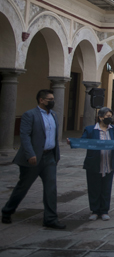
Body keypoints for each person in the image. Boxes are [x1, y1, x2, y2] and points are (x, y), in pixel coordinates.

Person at [1, 90, 65, 229]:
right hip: (34, 158)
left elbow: (53, 136)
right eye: (50, 99)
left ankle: (50, 218)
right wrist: (30, 154)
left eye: (53, 98)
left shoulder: (54, 115)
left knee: (51, 189)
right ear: (41, 100)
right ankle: (7, 210)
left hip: (49, 157)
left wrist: (56, 155)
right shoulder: (30, 115)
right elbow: (25, 136)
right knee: (23, 186)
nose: (53, 101)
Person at [73, 107, 114, 221]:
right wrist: (72, 142)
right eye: (107, 116)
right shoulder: (90, 130)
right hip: (94, 163)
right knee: (94, 187)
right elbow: (83, 142)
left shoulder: (113, 129)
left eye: (111, 116)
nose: (109, 118)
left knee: (106, 187)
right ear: (100, 117)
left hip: (109, 163)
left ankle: (104, 210)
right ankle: (95, 211)